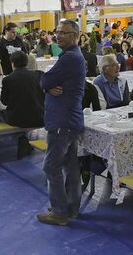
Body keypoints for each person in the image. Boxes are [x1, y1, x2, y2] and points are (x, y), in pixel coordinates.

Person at [37, 20, 85, 226]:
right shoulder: (73, 56)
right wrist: (48, 85)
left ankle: (59, 212)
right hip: (70, 119)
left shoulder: (70, 58)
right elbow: (49, 81)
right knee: (70, 165)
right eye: (57, 32)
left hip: (62, 121)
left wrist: (46, 85)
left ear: (75, 35)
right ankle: (72, 208)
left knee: (51, 166)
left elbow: (46, 80)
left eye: (63, 33)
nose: (58, 36)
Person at [0, 51, 44, 159]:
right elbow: (41, 96)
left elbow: (4, 101)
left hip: (17, 119)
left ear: (12, 63)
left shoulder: (8, 79)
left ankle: (21, 138)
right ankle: (24, 140)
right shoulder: (36, 76)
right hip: (38, 115)